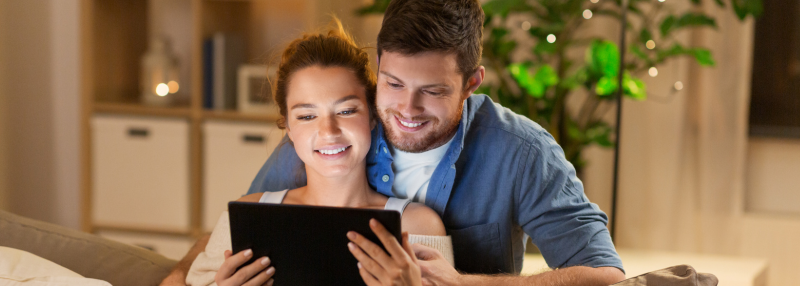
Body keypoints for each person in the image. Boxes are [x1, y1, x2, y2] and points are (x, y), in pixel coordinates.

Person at [162, 0, 626, 285]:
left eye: (434, 91)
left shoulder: (520, 153)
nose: (407, 109)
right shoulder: (337, 132)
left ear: (471, 83)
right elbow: (251, 222)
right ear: (376, 68)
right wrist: (178, 277)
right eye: (393, 83)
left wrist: (463, 285)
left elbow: (605, 276)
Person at [182, 19, 453, 286]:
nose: (329, 131)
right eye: (307, 116)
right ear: (288, 127)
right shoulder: (246, 218)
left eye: (346, 111)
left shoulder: (416, 227)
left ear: (372, 116)